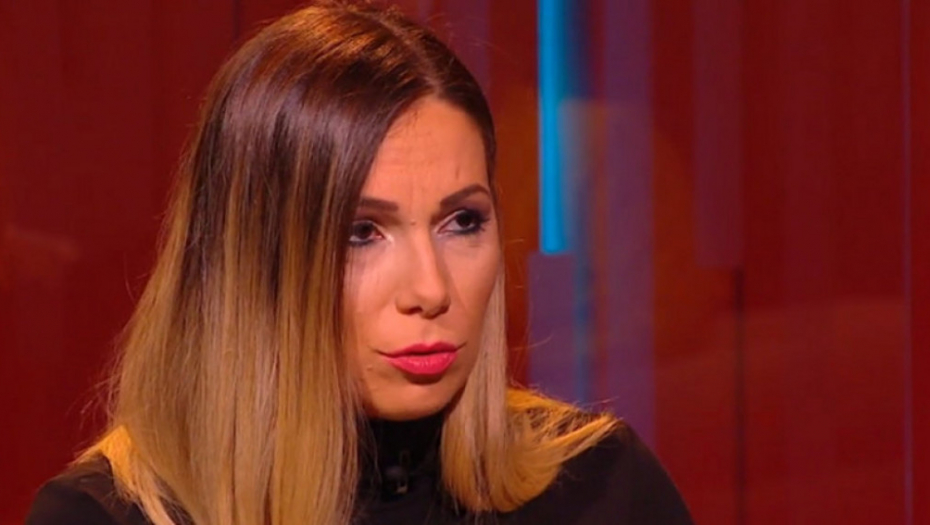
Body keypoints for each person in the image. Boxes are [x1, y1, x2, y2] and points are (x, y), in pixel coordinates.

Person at [25, 2, 694, 524]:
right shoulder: (104, 515)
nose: (431, 288)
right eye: (362, 233)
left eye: (463, 222)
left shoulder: (605, 487)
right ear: (254, 261)